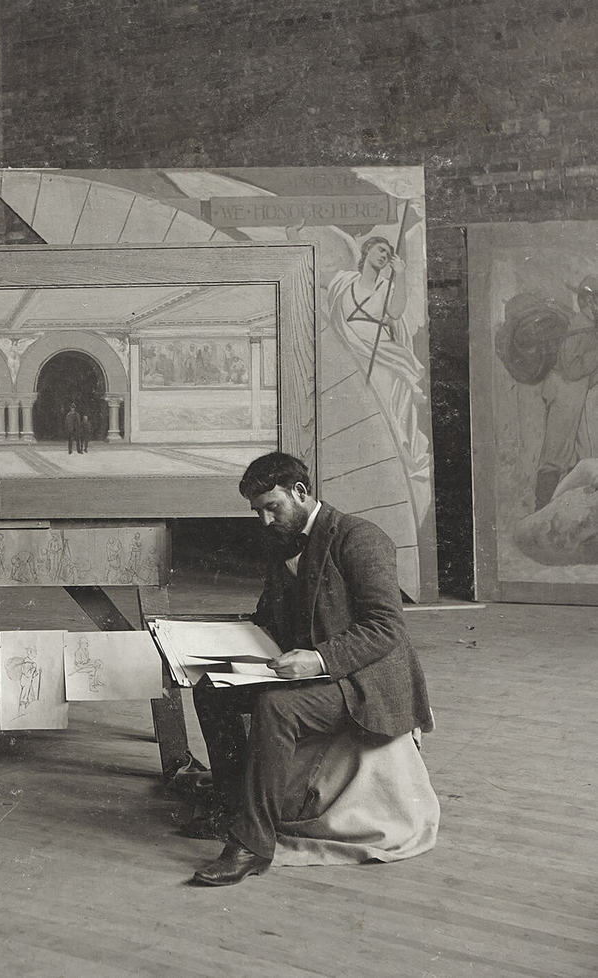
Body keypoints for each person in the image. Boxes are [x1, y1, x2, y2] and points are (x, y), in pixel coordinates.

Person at [188, 451, 433, 886]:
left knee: (277, 708)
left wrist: (318, 659)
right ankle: (231, 807)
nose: (264, 520)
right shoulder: (280, 541)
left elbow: (385, 627)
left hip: (364, 678)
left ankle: (252, 844)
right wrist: (218, 643)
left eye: (272, 507)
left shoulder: (360, 537)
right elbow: (270, 616)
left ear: (301, 493)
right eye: (257, 511)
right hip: (314, 670)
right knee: (210, 688)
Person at [325, 235, 430, 490]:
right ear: (367, 249)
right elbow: (312, 275)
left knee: (386, 411)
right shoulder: (343, 281)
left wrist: (401, 274)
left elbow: (394, 313)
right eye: (380, 249)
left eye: (388, 253)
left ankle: (394, 467)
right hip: (350, 353)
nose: (383, 255)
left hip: (382, 355)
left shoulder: (388, 287)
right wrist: (292, 237)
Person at [532, 276, 598, 509]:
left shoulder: (588, 328)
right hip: (565, 395)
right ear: (589, 301)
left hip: (574, 396)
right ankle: (541, 510)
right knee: (556, 454)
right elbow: (572, 369)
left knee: (576, 455)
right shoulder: (580, 328)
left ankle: (562, 512)